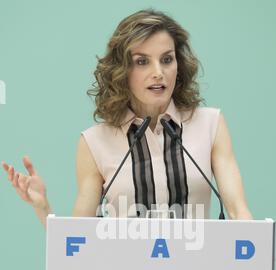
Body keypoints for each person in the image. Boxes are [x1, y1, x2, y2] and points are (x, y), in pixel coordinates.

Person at [1, 9, 252, 227]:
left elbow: (239, 212)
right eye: (142, 61)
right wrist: (42, 207)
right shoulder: (94, 142)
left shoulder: (210, 124)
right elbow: (77, 239)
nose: (158, 73)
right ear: (122, 70)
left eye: (167, 59)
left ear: (179, 64)